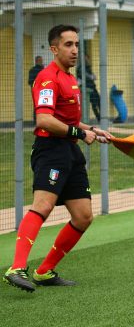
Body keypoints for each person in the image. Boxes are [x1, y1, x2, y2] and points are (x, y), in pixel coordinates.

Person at [3, 25, 113, 293]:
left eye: (77, 44)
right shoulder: (47, 78)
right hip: (50, 149)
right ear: (54, 48)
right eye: (68, 45)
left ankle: (44, 272)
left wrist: (89, 129)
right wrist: (78, 131)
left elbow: (69, 120)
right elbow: (44, 120)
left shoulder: (70, 78)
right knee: (43, 206)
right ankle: (17, 267)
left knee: (84, 216)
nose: (75, 50)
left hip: (69, 151)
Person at [76, 55, 101, 123]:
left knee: (98, 101)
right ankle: (99, 118)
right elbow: (86, 76)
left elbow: (93, 77)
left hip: (92, 87)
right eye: (86, 58)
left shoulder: (87, 66)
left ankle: (101, 118)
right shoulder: (80, 68)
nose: (87, 59)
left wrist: (91, 76)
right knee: (94, 103)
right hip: (88, 88)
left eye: (87, 58)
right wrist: (91, 77)